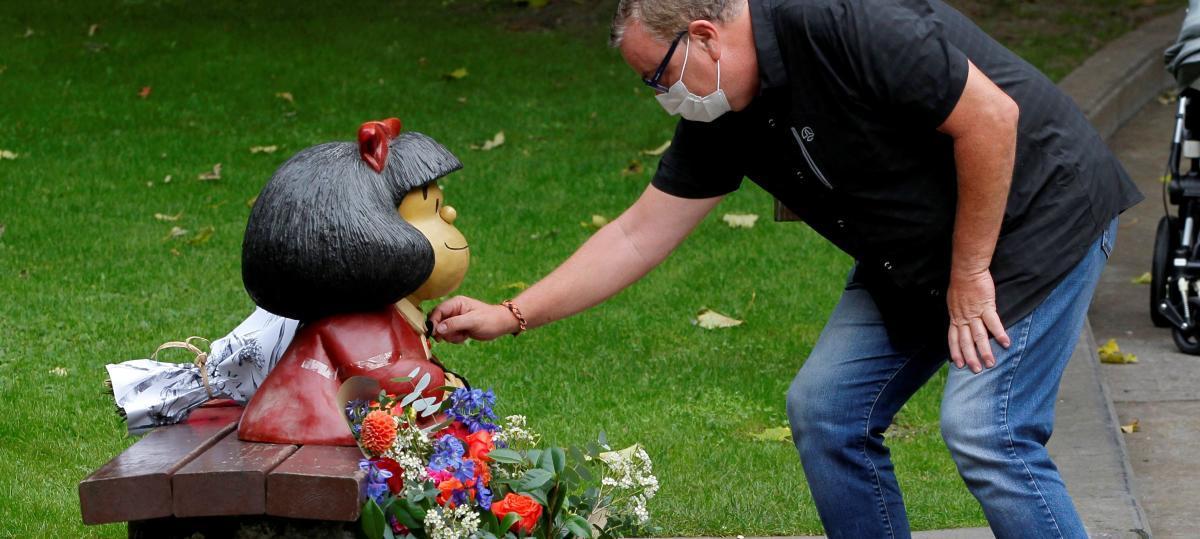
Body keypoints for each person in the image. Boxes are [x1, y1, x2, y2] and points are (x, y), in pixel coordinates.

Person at [429, 1, 1142, 537]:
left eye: (659, 74)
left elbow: (991, 117)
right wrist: (510, 313)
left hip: (1037, 211)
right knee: (826, 410)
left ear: (705, 35)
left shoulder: (841, 20)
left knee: (987, 430)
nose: (662, 95)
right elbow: (636, 234)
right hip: (915, 252)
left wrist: (970, 274)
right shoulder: (725, 108)